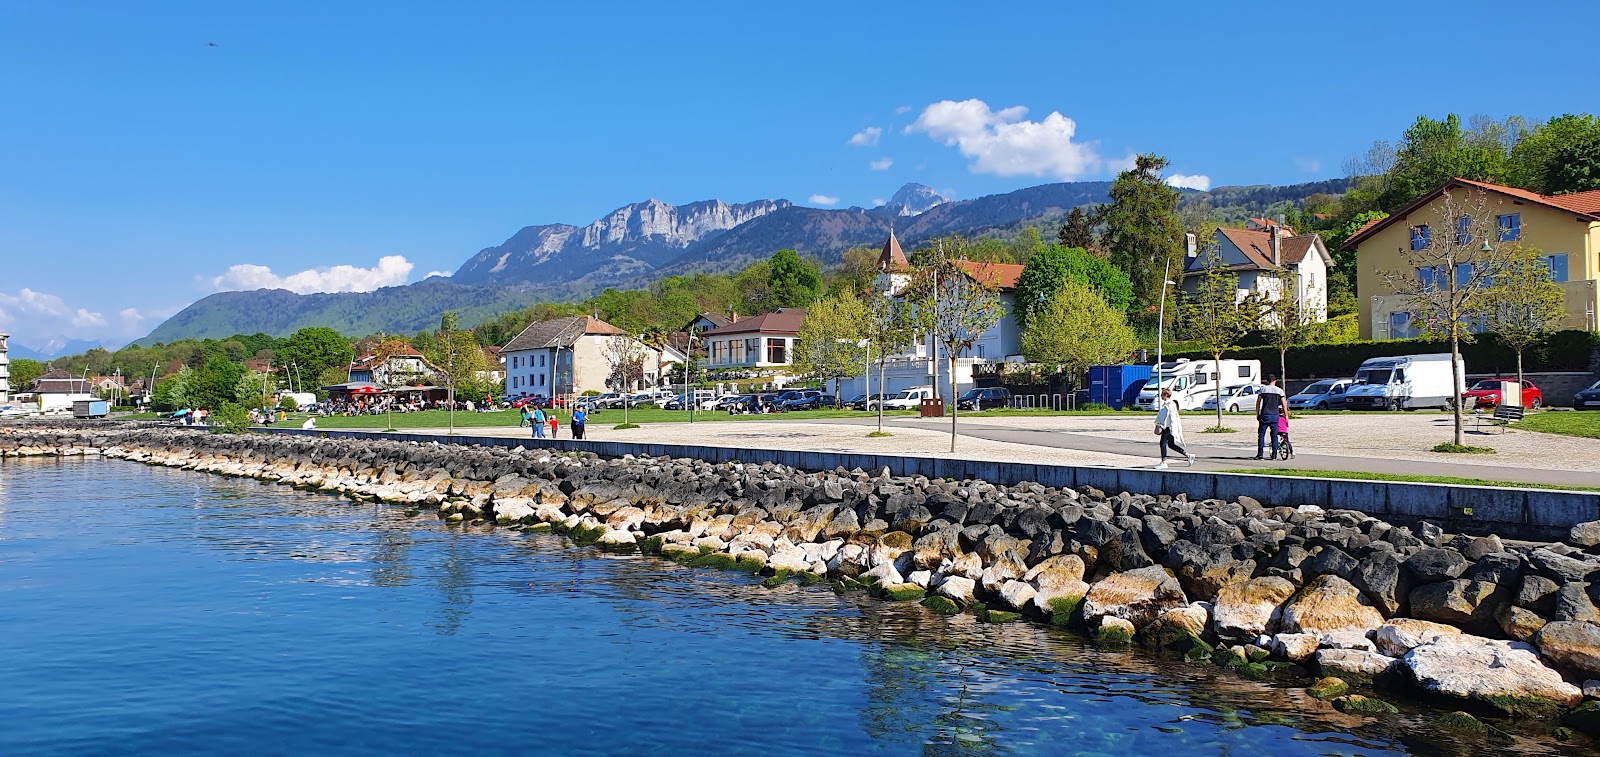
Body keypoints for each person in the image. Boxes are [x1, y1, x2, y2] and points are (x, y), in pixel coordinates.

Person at [1153, 388, 1194, 470]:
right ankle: (1189, 455)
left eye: (1162, 395)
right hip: (1166, 426)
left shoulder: (1170, 404)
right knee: (1171, 445)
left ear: (1166, 395)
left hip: (1169, 427)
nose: (1161, 396)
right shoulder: (1166, 404)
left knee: (1162, 443)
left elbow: (1172, 417)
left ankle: (1164, 462)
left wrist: (1172, 428)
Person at [1255, 374, 1288, 459]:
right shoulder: (1279, 391)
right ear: (1275, 381)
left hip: (1265, 414)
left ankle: (1260, 454)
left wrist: (1257, 413)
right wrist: (1286, 416)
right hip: (1275, 415)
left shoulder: (1263, 389)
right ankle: (1274, 455)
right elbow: (1284, 404)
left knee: (1261, 434)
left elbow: (1258, 402)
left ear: (1267, 381)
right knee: (1274, 436)